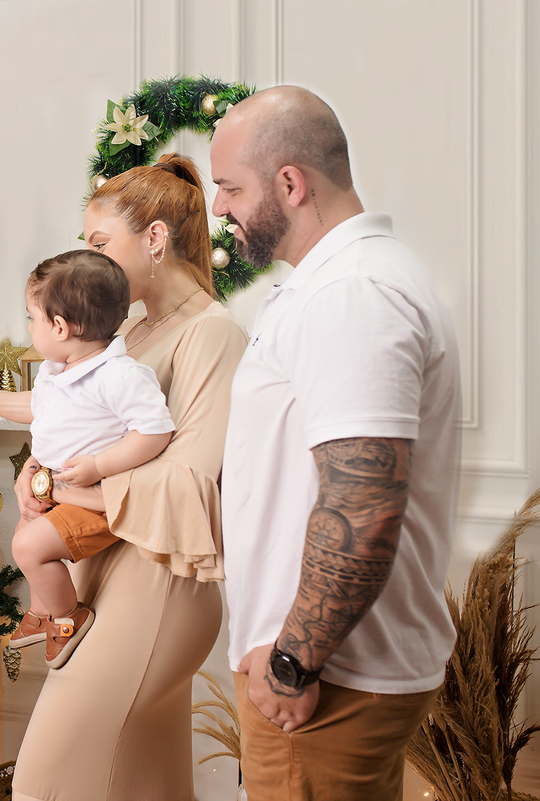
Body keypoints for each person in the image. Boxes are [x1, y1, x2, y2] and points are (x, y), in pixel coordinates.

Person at [212, 86, 460, 800]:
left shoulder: (353, 293)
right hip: (330, 672)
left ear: (291, 184)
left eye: (231, 187)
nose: (219, 207)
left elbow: (364, 501)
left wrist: (294, 662)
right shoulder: (337, 284)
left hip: (324, 682)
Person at [9, 154, 248, 801]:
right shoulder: (131, 333)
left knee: (45, 785)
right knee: (147, 784)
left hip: (157, 585)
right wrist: (37, 471)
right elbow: (79, 426)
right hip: (103, 569)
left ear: (155, 239)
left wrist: (63, 487)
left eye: (99, 243)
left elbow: (191, 482)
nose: (88, 261)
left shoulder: (213, 334)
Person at [0, 250, 174, 669]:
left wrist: (100, 466)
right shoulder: (59, 370)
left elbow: (155, 431)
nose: (29, 327)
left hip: (94, 497)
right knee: (27, 531)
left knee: (29, 546)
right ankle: (41, 613)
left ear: (59, 326)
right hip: (58, 490)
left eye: (32, 318)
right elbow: (37, 407)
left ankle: (69, 616)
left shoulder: (119, 375)